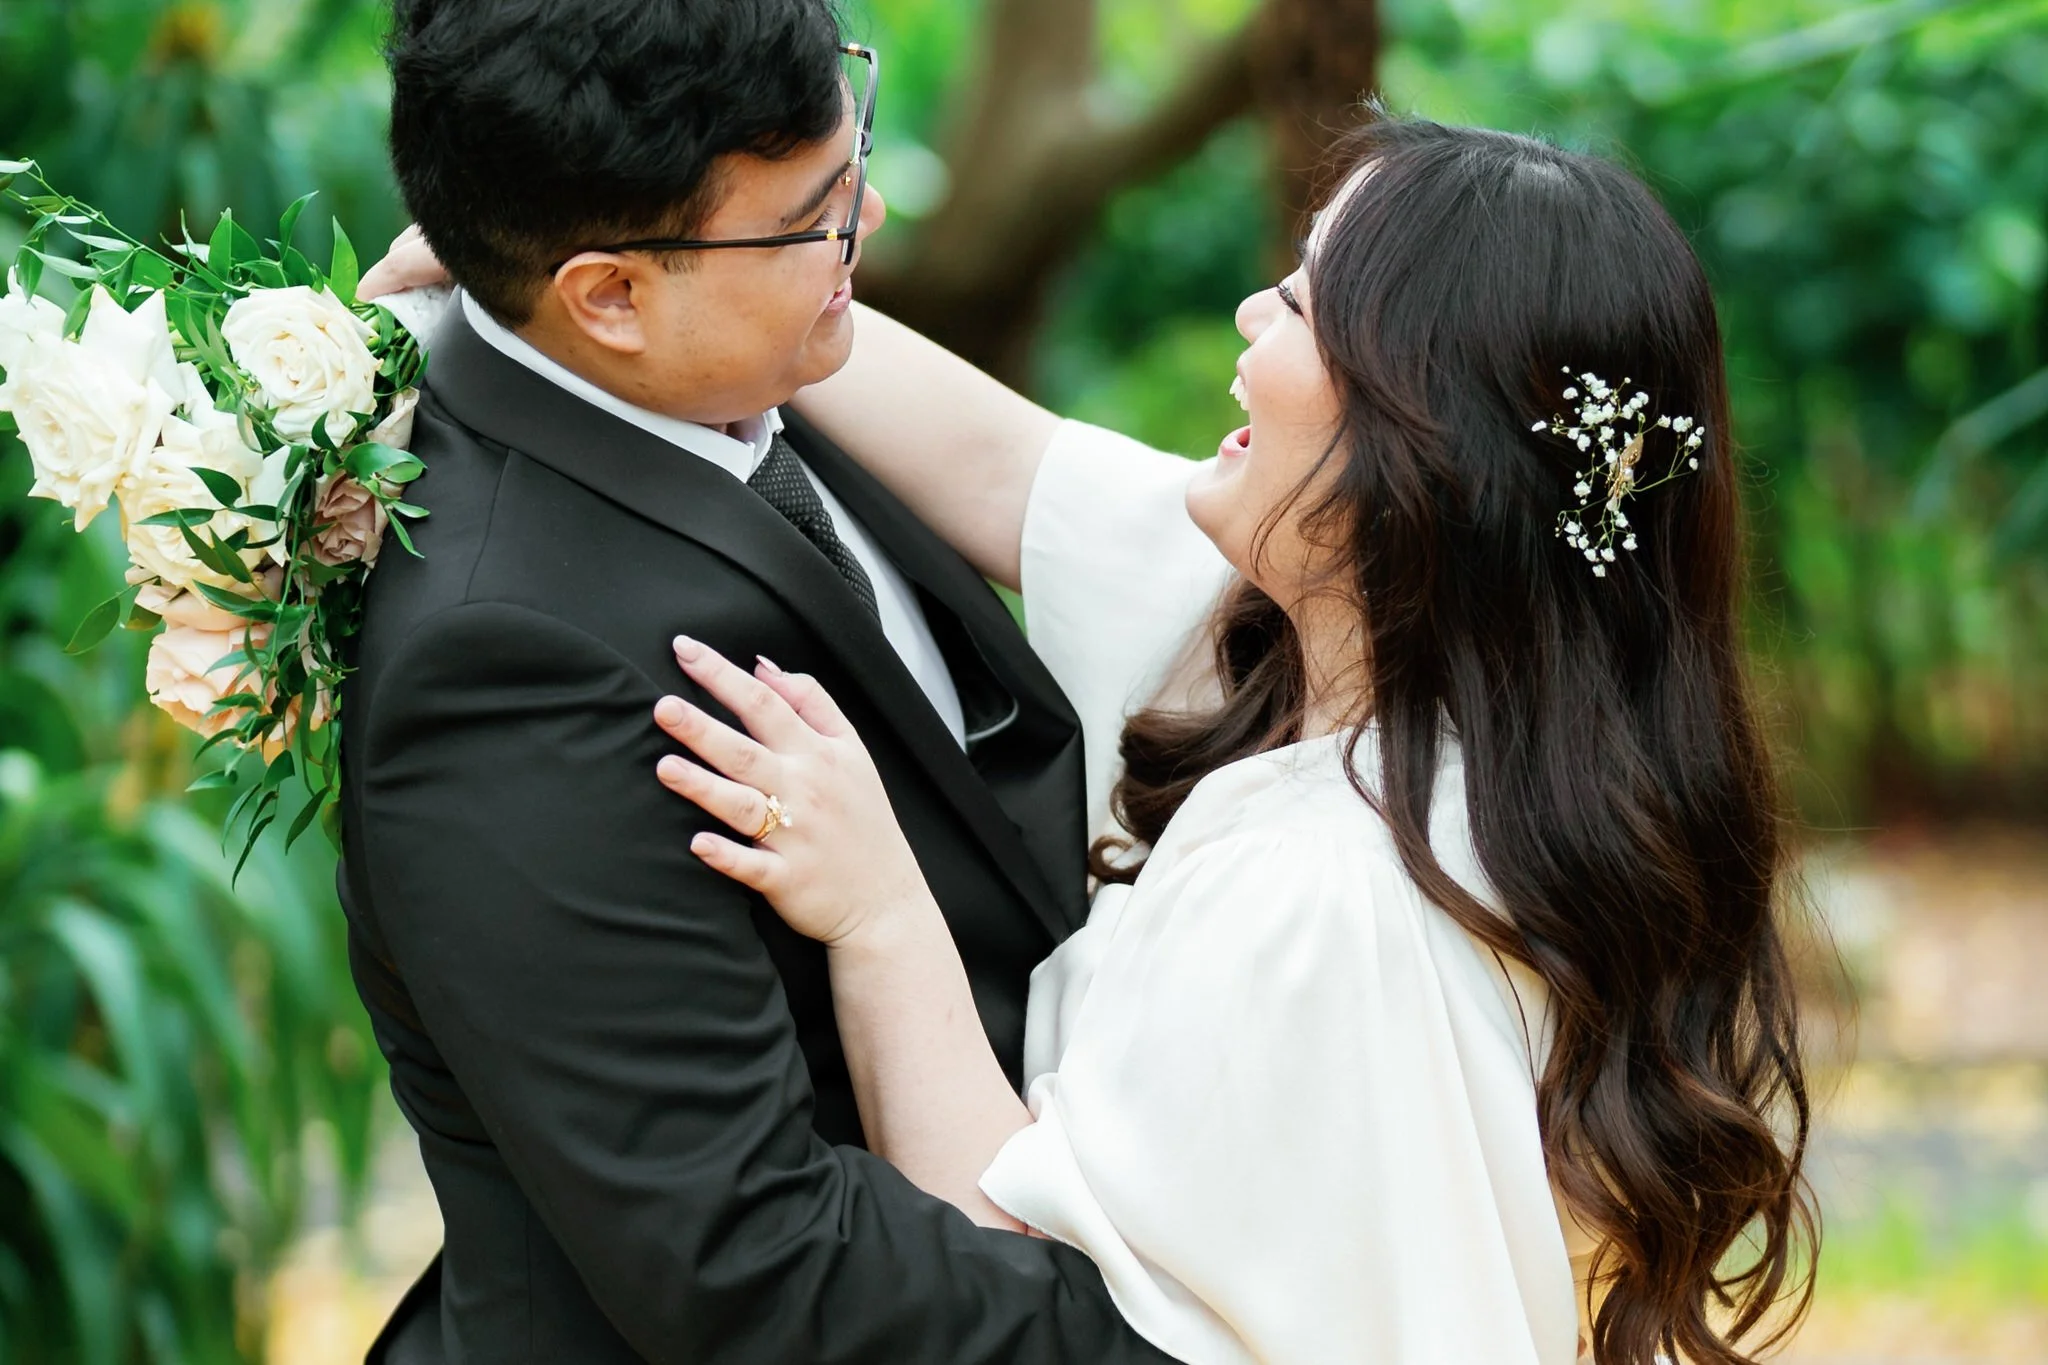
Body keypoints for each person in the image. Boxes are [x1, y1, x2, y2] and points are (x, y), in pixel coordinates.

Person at [642, 119, 1819, 1365]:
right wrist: (662, 257)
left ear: (1417, 437)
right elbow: (995, 465)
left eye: (1302, 301)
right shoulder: (1422, 703)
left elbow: (1029, 1305)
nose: (1253, 315)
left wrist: (881, 915)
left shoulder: (1320, 898)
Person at [345, 0, 1183, 1360]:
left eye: (852, 168)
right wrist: (1173, 1325)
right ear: (606, 295)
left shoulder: (727, 358)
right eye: (812, 218)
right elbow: (749, 1255)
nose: (870, 223)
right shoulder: (505, 667)